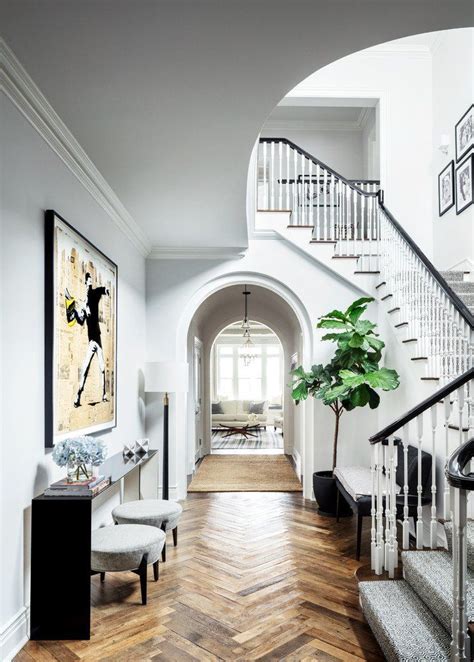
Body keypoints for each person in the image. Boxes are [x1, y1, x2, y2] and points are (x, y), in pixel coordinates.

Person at [71, 272, 110, 407]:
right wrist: (76, 313)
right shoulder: (84, 303)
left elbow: (102, 290)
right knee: (85, 368)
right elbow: (81, 321)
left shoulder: (94, 294)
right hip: (91, 341)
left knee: (102, 368)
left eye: (91, 280)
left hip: (97, 339)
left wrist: (107, 291)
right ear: (85, 283)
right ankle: (78, 397)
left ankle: (104, 395)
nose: (90, 282)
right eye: (88, 281)